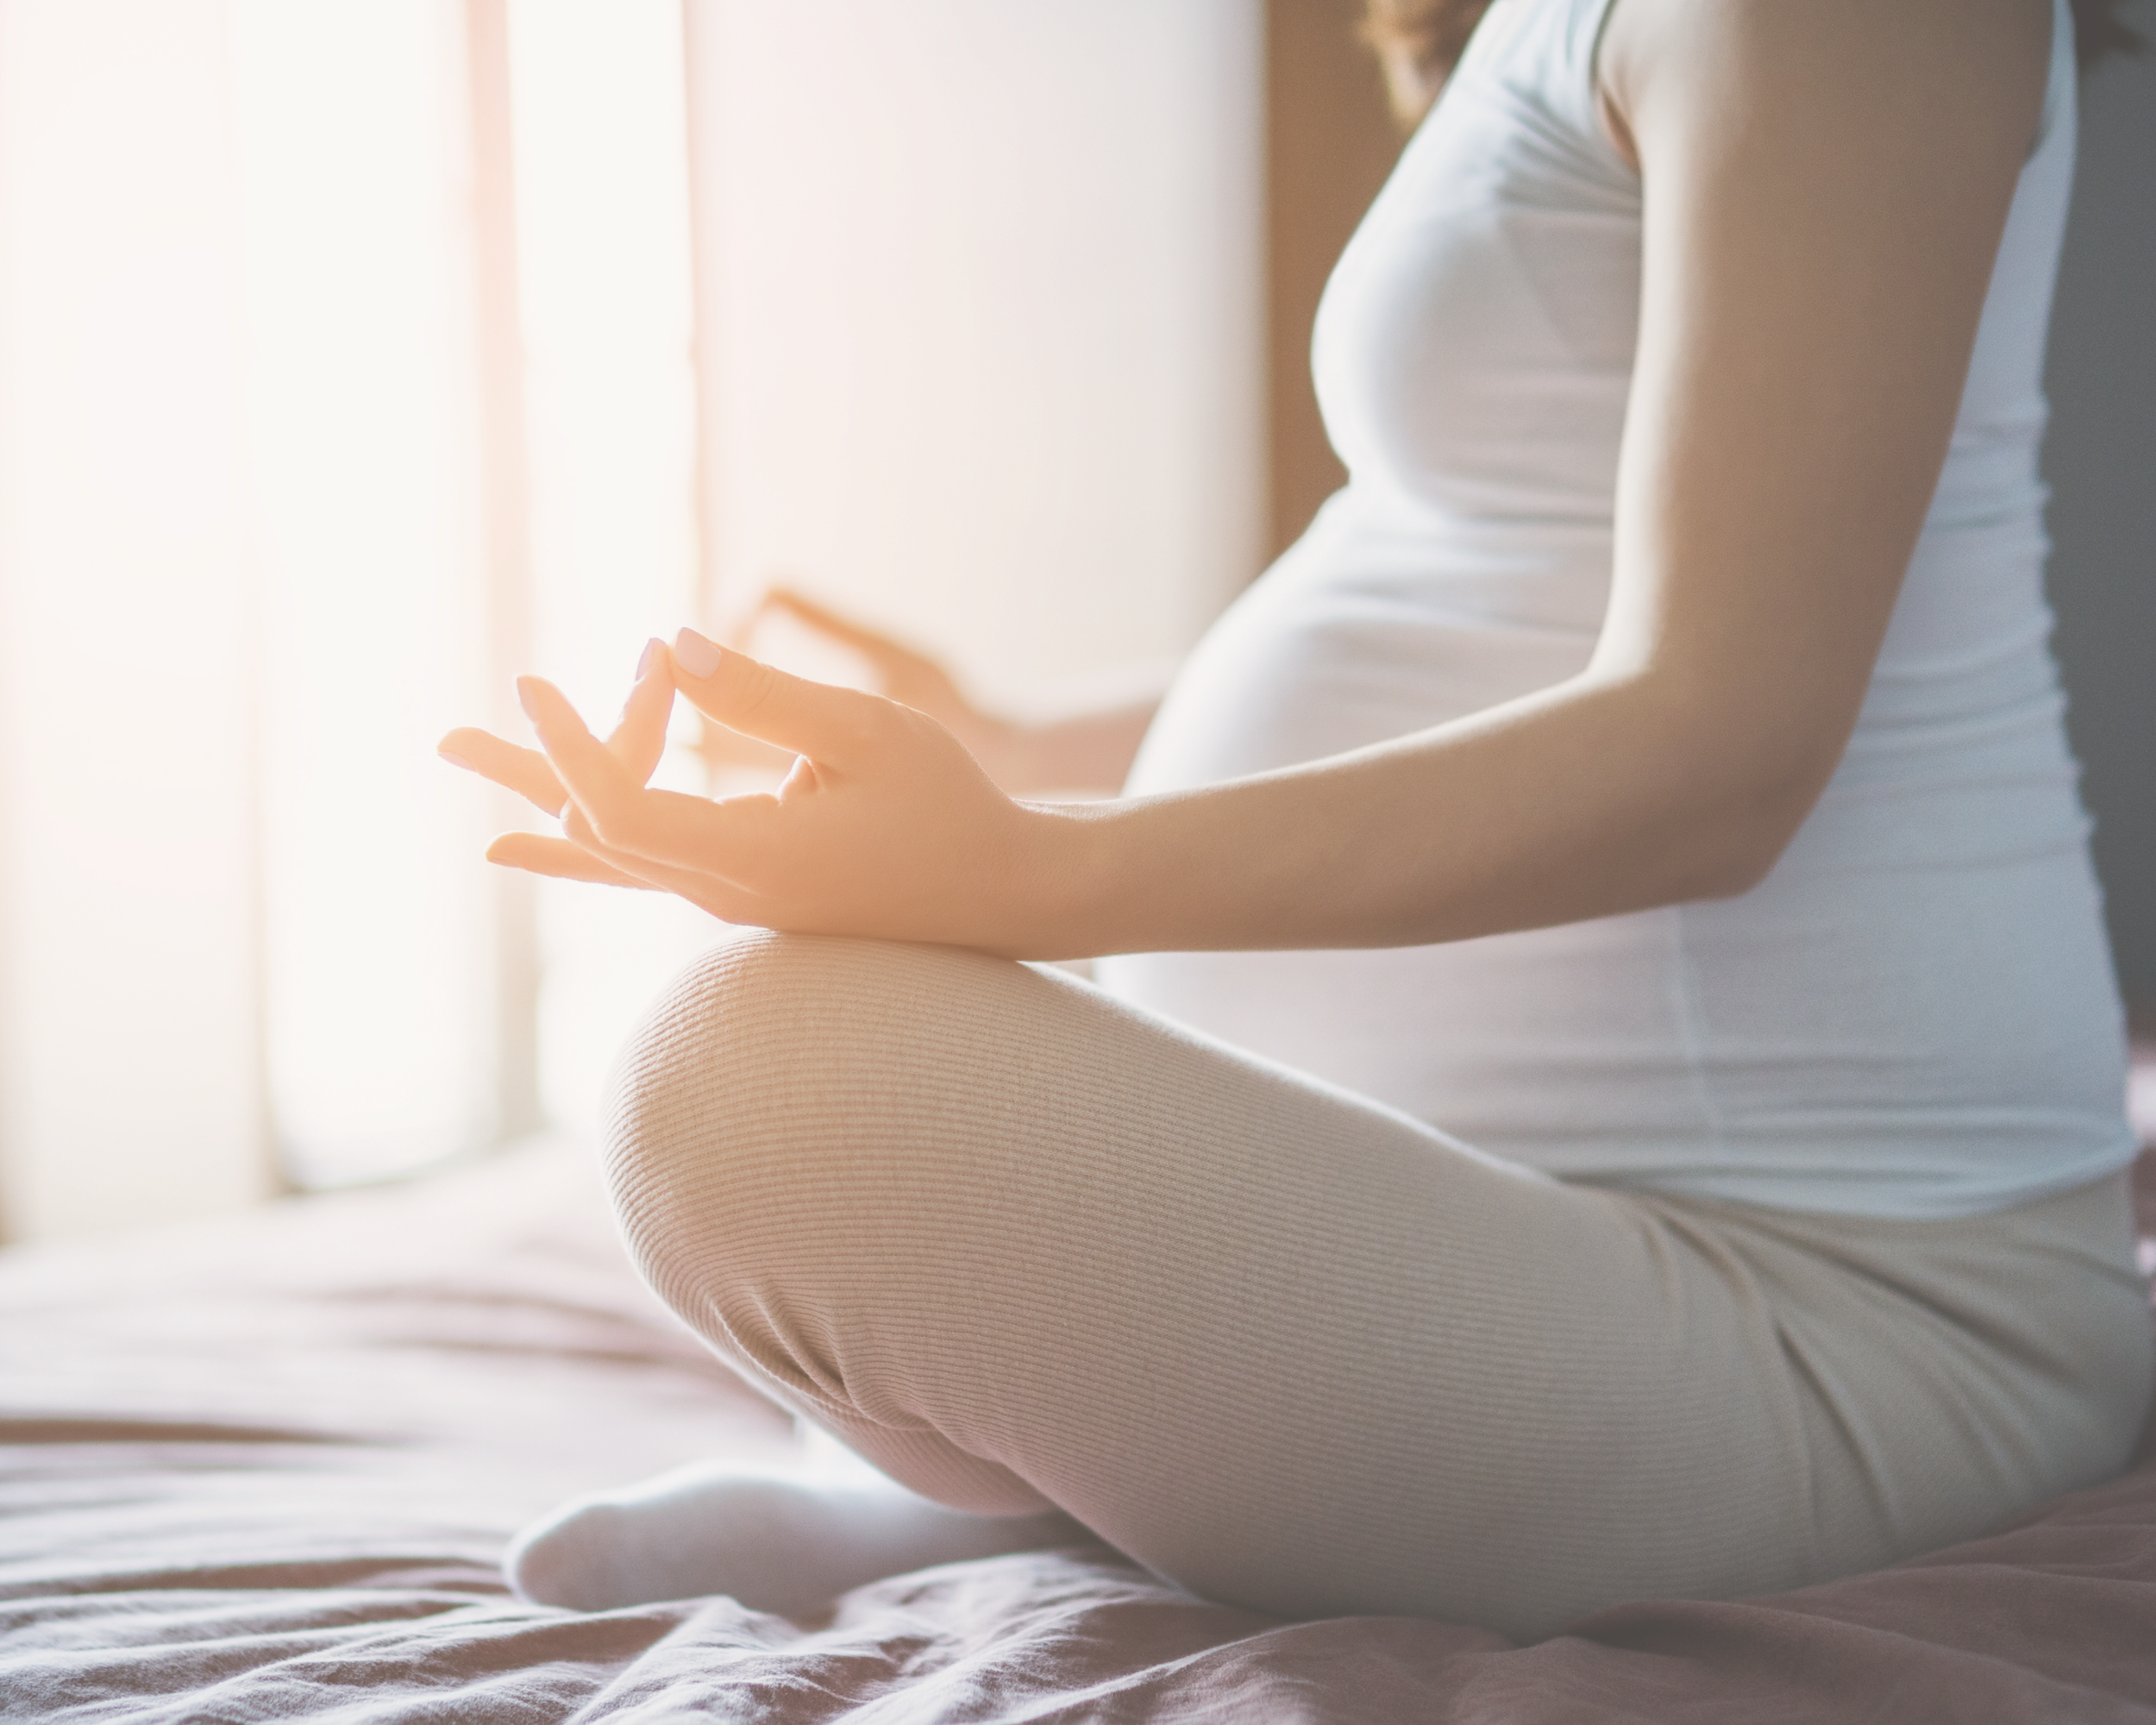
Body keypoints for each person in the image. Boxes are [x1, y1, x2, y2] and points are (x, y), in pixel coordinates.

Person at [439, 0, 2153, 1641]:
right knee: (785, 1047)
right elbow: (1493, 573)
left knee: (756, 1074)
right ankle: (1056, 1481)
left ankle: (1042, 1488)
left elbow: (1717, 753)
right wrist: (1015, 745)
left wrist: (1026, 868)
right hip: (1521, 1210)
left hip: (1838, 1311)